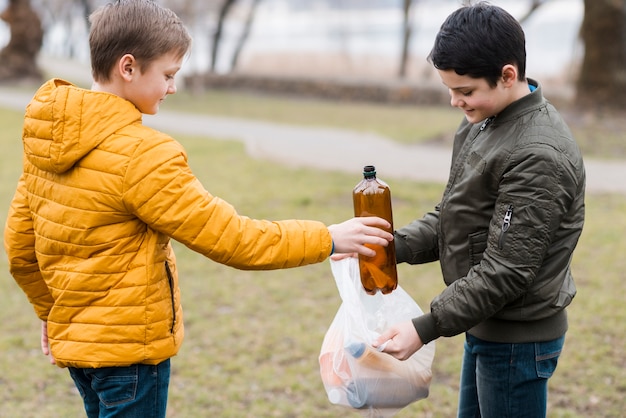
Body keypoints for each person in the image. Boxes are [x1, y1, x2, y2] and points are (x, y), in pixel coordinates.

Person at [2, 1, 393, 417]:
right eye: (168, 75)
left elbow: (20, 248)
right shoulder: (144, 155)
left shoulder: (46, 138)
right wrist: (329, 238)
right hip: (131, 356)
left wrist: (52, 312)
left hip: (79, 349)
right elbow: (235, 240)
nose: (172, 88)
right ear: (128, 67)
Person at [374, 3, 585, 418]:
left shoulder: (537, 154)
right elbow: (456, 215)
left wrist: (426, 327)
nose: (455, 102)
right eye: (450, 90)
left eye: (465, 90)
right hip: (484, 321)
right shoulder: (485, 119)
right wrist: (387, 247)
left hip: (517, 341)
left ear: (508, 75)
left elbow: (507, 268)